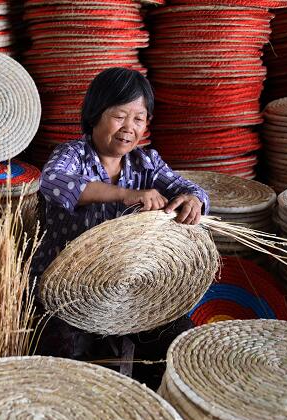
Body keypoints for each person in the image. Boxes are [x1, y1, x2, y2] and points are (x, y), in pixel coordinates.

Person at [33, 67, 210, 389]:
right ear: (95, 114)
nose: (129, 128)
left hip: (132, 285)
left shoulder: (147, 162)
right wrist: (126, 194)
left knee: (178, 340)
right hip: (69, 286)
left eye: (139, 119)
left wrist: (192, 200)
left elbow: (190, 189)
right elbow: (54, 182)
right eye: (119, 116)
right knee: (65, 359)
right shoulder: (72, 154)